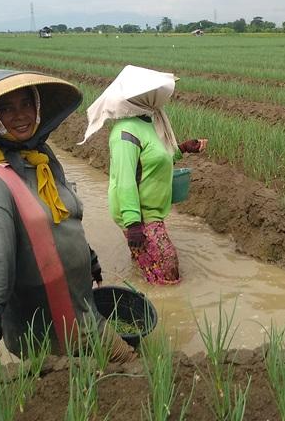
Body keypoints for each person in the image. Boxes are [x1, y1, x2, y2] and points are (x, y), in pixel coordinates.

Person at [0, 69, 134, 361]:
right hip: (44, 325)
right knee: (81, 386)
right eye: (6, 109)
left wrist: (90, 259)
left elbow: (61, 219)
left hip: (83, 308)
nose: (20, 115)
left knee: (115, 377)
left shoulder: (41, 158)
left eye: (26, 104)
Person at [80, 65, 207, 285]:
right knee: (168, 273)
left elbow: (155, 159)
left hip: (152, 212)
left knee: (151, 266)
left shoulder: (148, 122)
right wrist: (133, 225)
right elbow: (125, 180)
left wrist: (184, 148)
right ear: (143, 97)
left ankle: (142, 281)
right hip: (139, 215)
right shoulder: (125, 132)